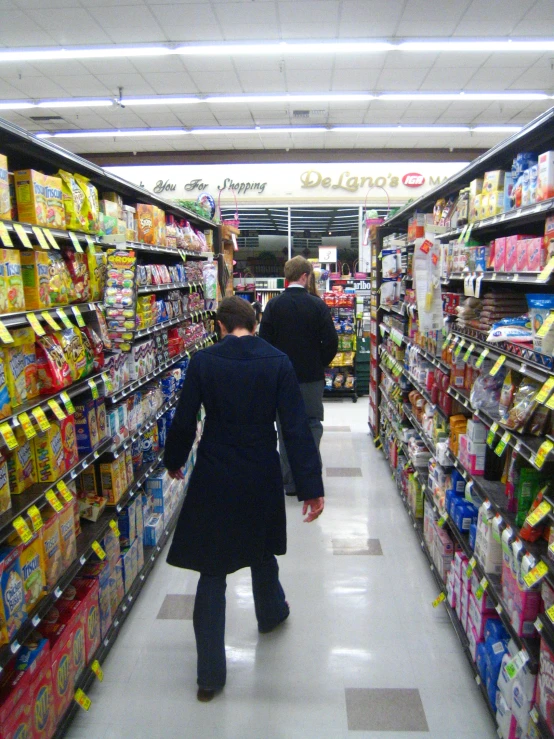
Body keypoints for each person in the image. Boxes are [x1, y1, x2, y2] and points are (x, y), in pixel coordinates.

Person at [163, 296, 324, 702]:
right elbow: (295, 430)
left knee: (211, 570)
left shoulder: (204, 362)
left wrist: (174, 460)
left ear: (220, 325)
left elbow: (185, 418)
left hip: (216, 469)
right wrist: (310, 487)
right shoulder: (278, 362)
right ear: (254, 323)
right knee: (261, 545)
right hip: (260, 469)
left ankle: (209, 676)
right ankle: (270, 613)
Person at [259, 256, 338, 496]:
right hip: (312, 379)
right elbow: (332, 342)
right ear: (305, 277)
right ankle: (309, 479)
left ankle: (290, 482)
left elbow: (264, 343)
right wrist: (318, 363)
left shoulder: (273, 306)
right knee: (312, 425)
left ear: (287, 277)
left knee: (285, 428)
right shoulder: (317, 305)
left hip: (282, 381)